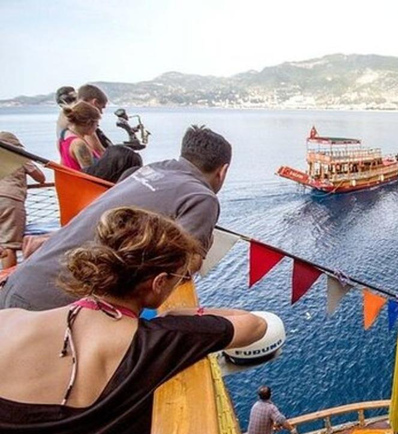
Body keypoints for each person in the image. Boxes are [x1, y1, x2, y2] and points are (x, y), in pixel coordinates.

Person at [0, 207, 270, 434]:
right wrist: (179, 316)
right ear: (157, 285)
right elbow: (254, 325)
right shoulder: (160, 341)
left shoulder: (7, 323)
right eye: (178, 278)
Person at [0, 125, 231, 311]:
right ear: (222, 171)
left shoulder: (148, 170)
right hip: (53, 303)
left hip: (21, 279)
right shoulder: (201, 197)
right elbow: (184, 265)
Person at [0, 132, 46, 269]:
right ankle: (6, 284)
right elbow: (40, 177)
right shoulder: (18, 157)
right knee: (9, 245)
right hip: (11, 200)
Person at [58, 101, 103, 170]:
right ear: (89, 123)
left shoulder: (62, 139)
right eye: (97, 124)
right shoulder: (79, 144)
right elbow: (90, 173)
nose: (96, 128)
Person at [76, 84, 112, 152]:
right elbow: (97, 150)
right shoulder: (84, 123)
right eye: (101, 108)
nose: (101, 112)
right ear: (94, 103)